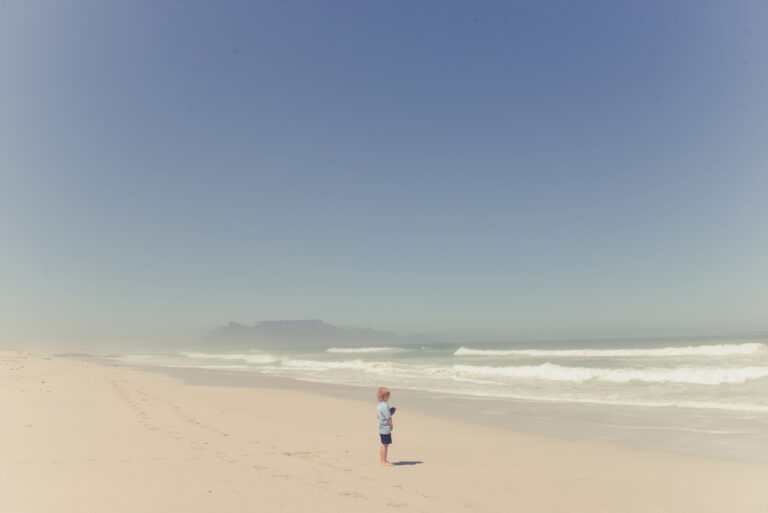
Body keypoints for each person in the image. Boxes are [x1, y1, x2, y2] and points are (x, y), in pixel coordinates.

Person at [376, 387, 394, 466]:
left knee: (384, 444)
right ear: (383, 396)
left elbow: (378, 416)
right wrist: (391, 425)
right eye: (388, 395)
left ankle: (383, 460)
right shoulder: (385, 406)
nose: (389, 397)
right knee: (385, 445)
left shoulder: (379, 405)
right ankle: (383, 461)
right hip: (385, 427)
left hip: (380, 427)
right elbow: (388, 418)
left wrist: (390, 413)